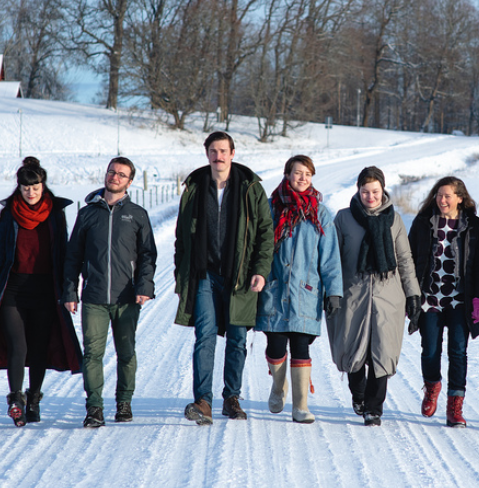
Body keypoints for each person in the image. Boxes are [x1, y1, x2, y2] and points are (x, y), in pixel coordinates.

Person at [0, 157, 82, 427]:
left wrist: (69, 288)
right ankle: (16, 399)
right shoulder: (10, 213)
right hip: (13, 289)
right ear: (18, 187)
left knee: (39, 347)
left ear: (43, 185)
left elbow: (64, 251)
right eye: (25, 187)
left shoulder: (55, 212)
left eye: (35, 186)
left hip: (44, 289)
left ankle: (34, 401)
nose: (30, 192)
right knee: (18, 346)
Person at [174, 132, 274, 425]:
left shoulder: (251, 188)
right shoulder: (195, 187)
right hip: (204, 274)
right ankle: (203, 401)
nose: (218, 156)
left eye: (223, 151)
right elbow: (182, 236)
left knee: (237, 338)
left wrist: (260, 270)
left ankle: (231, 397)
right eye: (213, 151)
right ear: (207, 154)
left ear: (232, 153)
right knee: (204, 334)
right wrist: (182, 276)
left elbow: (265, 233)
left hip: (240, 275)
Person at [63, 157, 157, 428]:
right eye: (112, 172)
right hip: (94, 297)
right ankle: (94, 408)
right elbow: (73, 257)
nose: (115, 177)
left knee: (126, 351)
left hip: (127, 298)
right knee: (92, 353)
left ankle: (124, 402)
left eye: (121, 174)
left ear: (130, 181)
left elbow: (148, 255)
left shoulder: (137, 214)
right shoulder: (87, 213)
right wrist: (70, 291)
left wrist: (144, 286)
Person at [328, 166, 420, 426]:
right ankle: (358, 396)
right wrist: (332, 291)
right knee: (353, 352)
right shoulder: (344, 218)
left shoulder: (395, 220)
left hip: (388, 298)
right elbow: (333, 259)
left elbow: (404, 260)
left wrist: (413, 295)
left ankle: (374, 408)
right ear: (358, 190)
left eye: (375, 191)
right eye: (365, 191)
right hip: (352, 295)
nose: (370, 196)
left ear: (383, 190)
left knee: (382, 353)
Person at [256, 155, 342, 424]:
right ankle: (278, 387)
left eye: (307, 173)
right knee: (276, 345)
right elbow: (257, 246)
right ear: (287, 175)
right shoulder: (271, 208)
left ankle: (301, 406)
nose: (302, 178)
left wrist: (334, 291)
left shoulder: (320, 213)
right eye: (297, 173)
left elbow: (329, 257)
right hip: (274, 287)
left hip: (306, 292)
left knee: (301, 347)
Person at [408, 176, 479, 428]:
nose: (442, 200)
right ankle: (432, 387)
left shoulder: (473, 225)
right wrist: (411, 294)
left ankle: (455, 406)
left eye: (448, 195)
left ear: (460, 198)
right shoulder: (423, 222)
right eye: (439, 195)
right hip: (429, 299)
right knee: (430, 349)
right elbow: (409, 259)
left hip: (459, 301)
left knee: (458, 351)